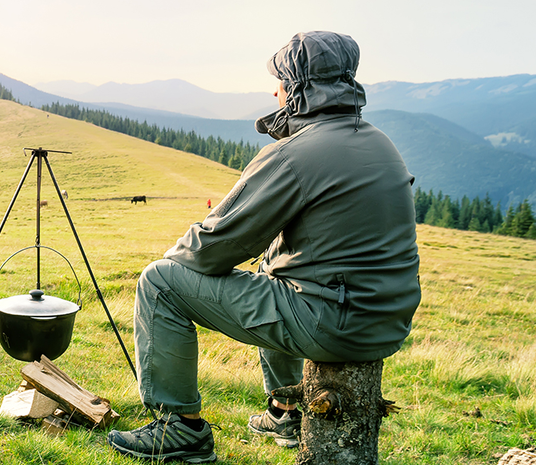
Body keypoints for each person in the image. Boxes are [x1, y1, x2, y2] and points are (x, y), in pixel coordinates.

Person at [106, 31, 421, 463]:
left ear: (297, 88)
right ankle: (284, 410)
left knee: (160, 282)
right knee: (274, 275)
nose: (272, 89)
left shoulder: (297, 153)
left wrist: (176, 259)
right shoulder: (376, 141)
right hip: (385, 320)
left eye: (279, 80)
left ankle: (179, 429)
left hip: (333, 323)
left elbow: (214, 248)